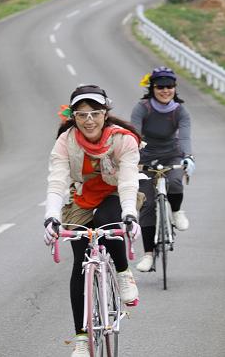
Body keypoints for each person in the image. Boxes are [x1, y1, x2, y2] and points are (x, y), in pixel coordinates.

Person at [44, 84, 142, 357]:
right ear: (73, 116)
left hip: (116, 195)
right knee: (80, 260)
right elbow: (57, 180)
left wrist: (130, 214)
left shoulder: (123, 139)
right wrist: (50, 217)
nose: (89, 120)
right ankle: (81, 339)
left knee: (107, 224)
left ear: (105, 114)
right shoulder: (66, 140)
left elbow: (128, 181)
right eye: (82, 114)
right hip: (83, 197)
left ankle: (122, 273)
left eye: (95, 113)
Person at [130, 67, 195, 272]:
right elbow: (134, 134)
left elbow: (184, 136)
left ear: (175, 88)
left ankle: (176, 211)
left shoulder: (180, 110)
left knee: (176, 182)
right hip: (145, 158)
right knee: (147, 205)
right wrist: (132, 158)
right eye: (160, 86)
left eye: (170, 86)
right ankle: (148, 255)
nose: (165, 90)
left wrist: (188, 157)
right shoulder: (142, 108)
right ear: (153, 88)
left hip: (172, 155)